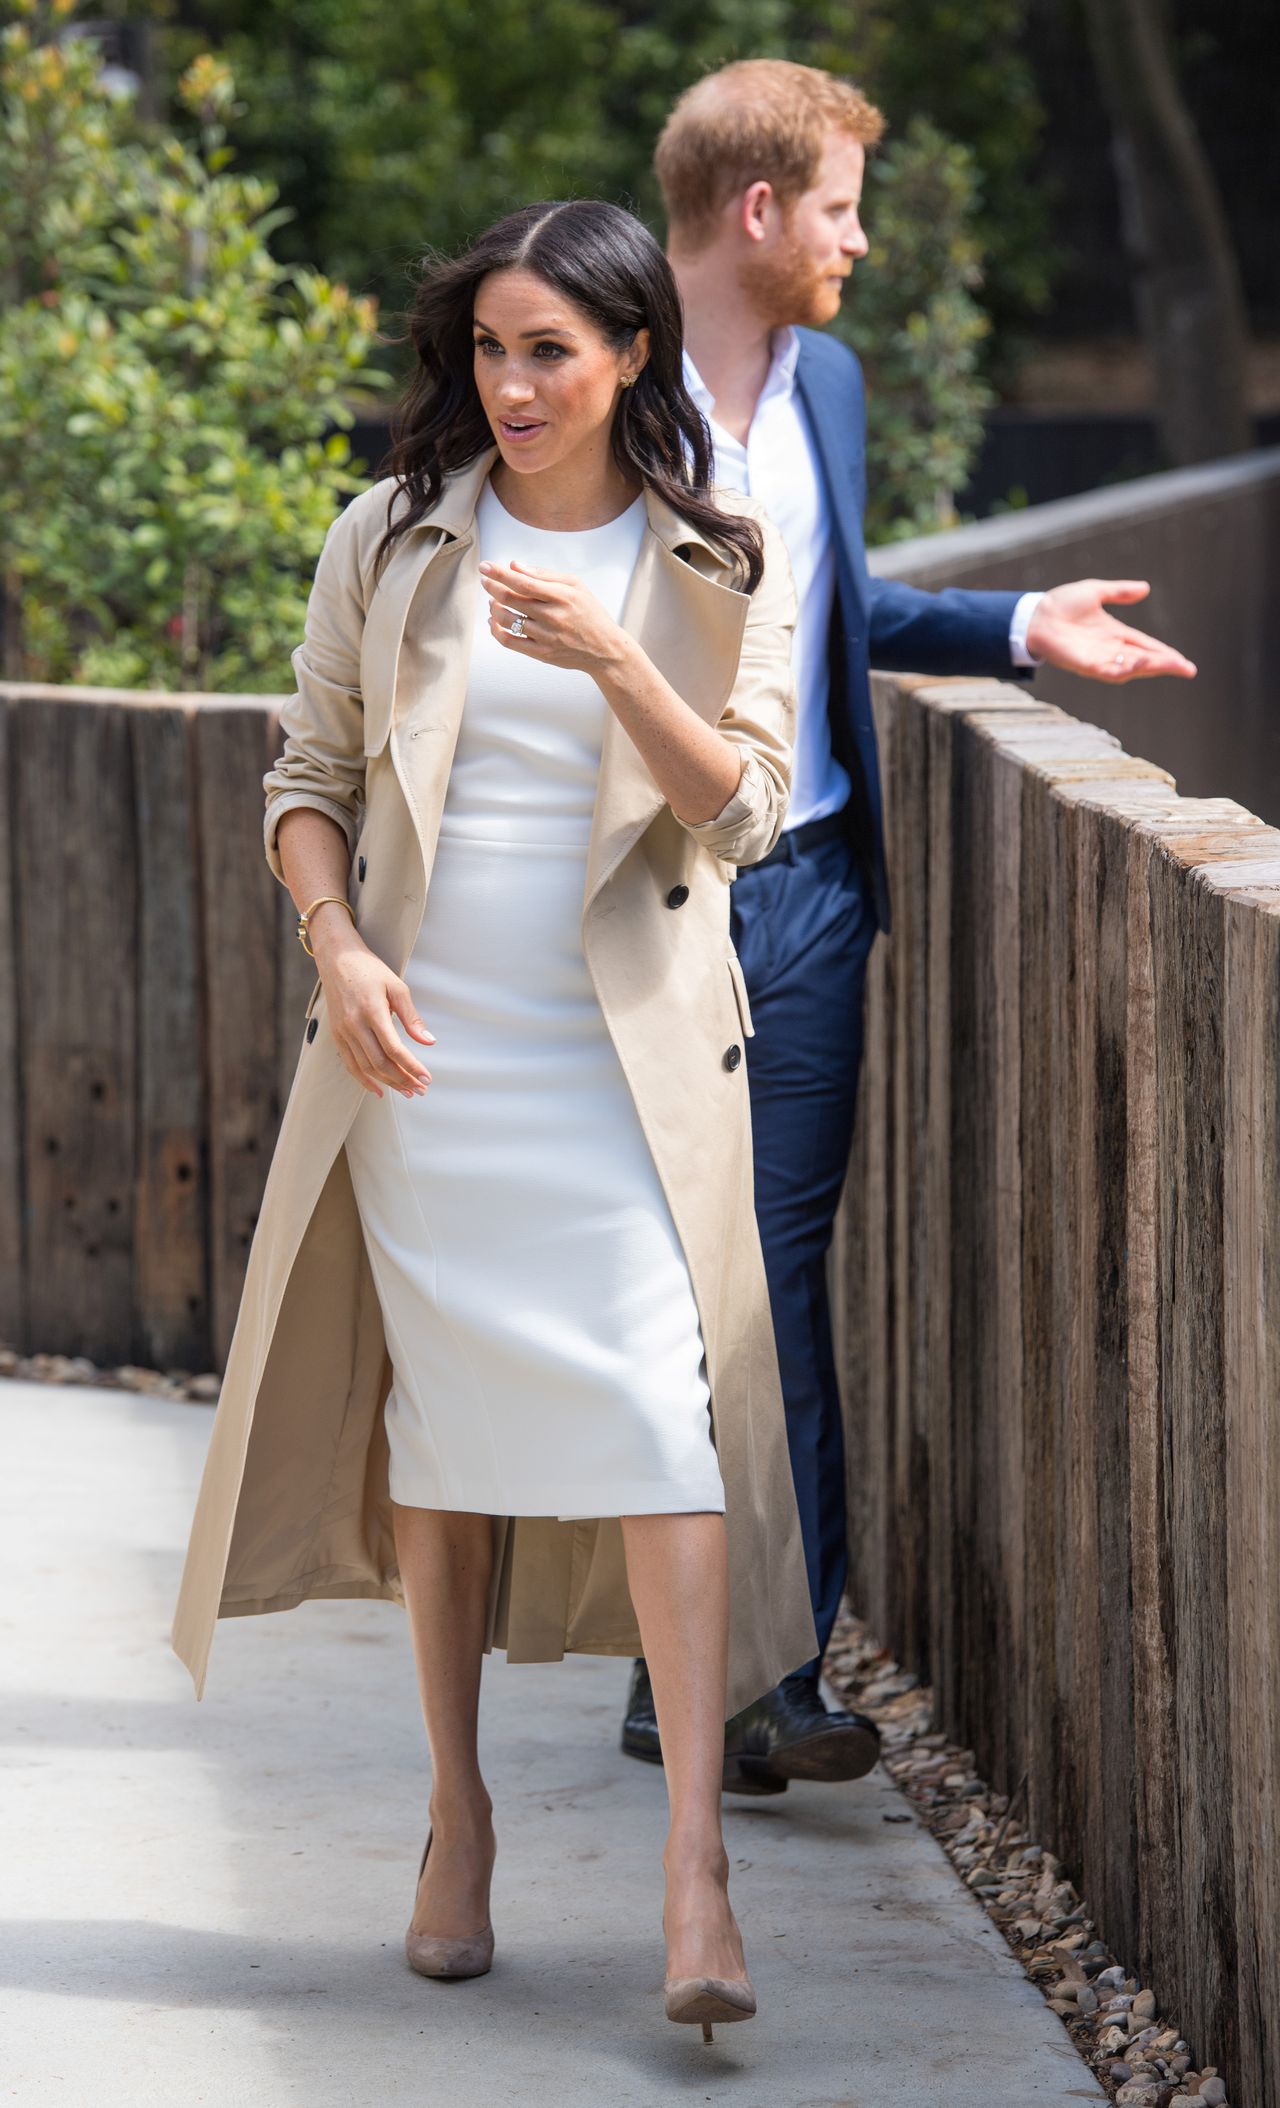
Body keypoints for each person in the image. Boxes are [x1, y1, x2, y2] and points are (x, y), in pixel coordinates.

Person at [171, 197, 817, 2037]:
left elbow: (743, 813)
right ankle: (457, 1819)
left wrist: (614, 656)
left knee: (656, 1425)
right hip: (429, 1054)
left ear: (631, 358)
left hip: (622, 1069)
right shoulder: (389, 536)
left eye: (551, 350)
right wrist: (338, 951)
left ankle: (697, 1867)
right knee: (442, 1437)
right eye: (489, 349)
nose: (513, 385)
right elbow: (306, 778)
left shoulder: (714, 556)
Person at [621, 59, 1197, 1795]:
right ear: (758, 211)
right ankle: (661, 1658)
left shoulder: (835, 384)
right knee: (654, 1286)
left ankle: (778, 1670)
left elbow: (832, 604)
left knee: (777, 1279)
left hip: (805, 887)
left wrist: (1021, 622)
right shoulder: (588, 369)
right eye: (845, 208)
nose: (859, 241)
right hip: (635, 902)